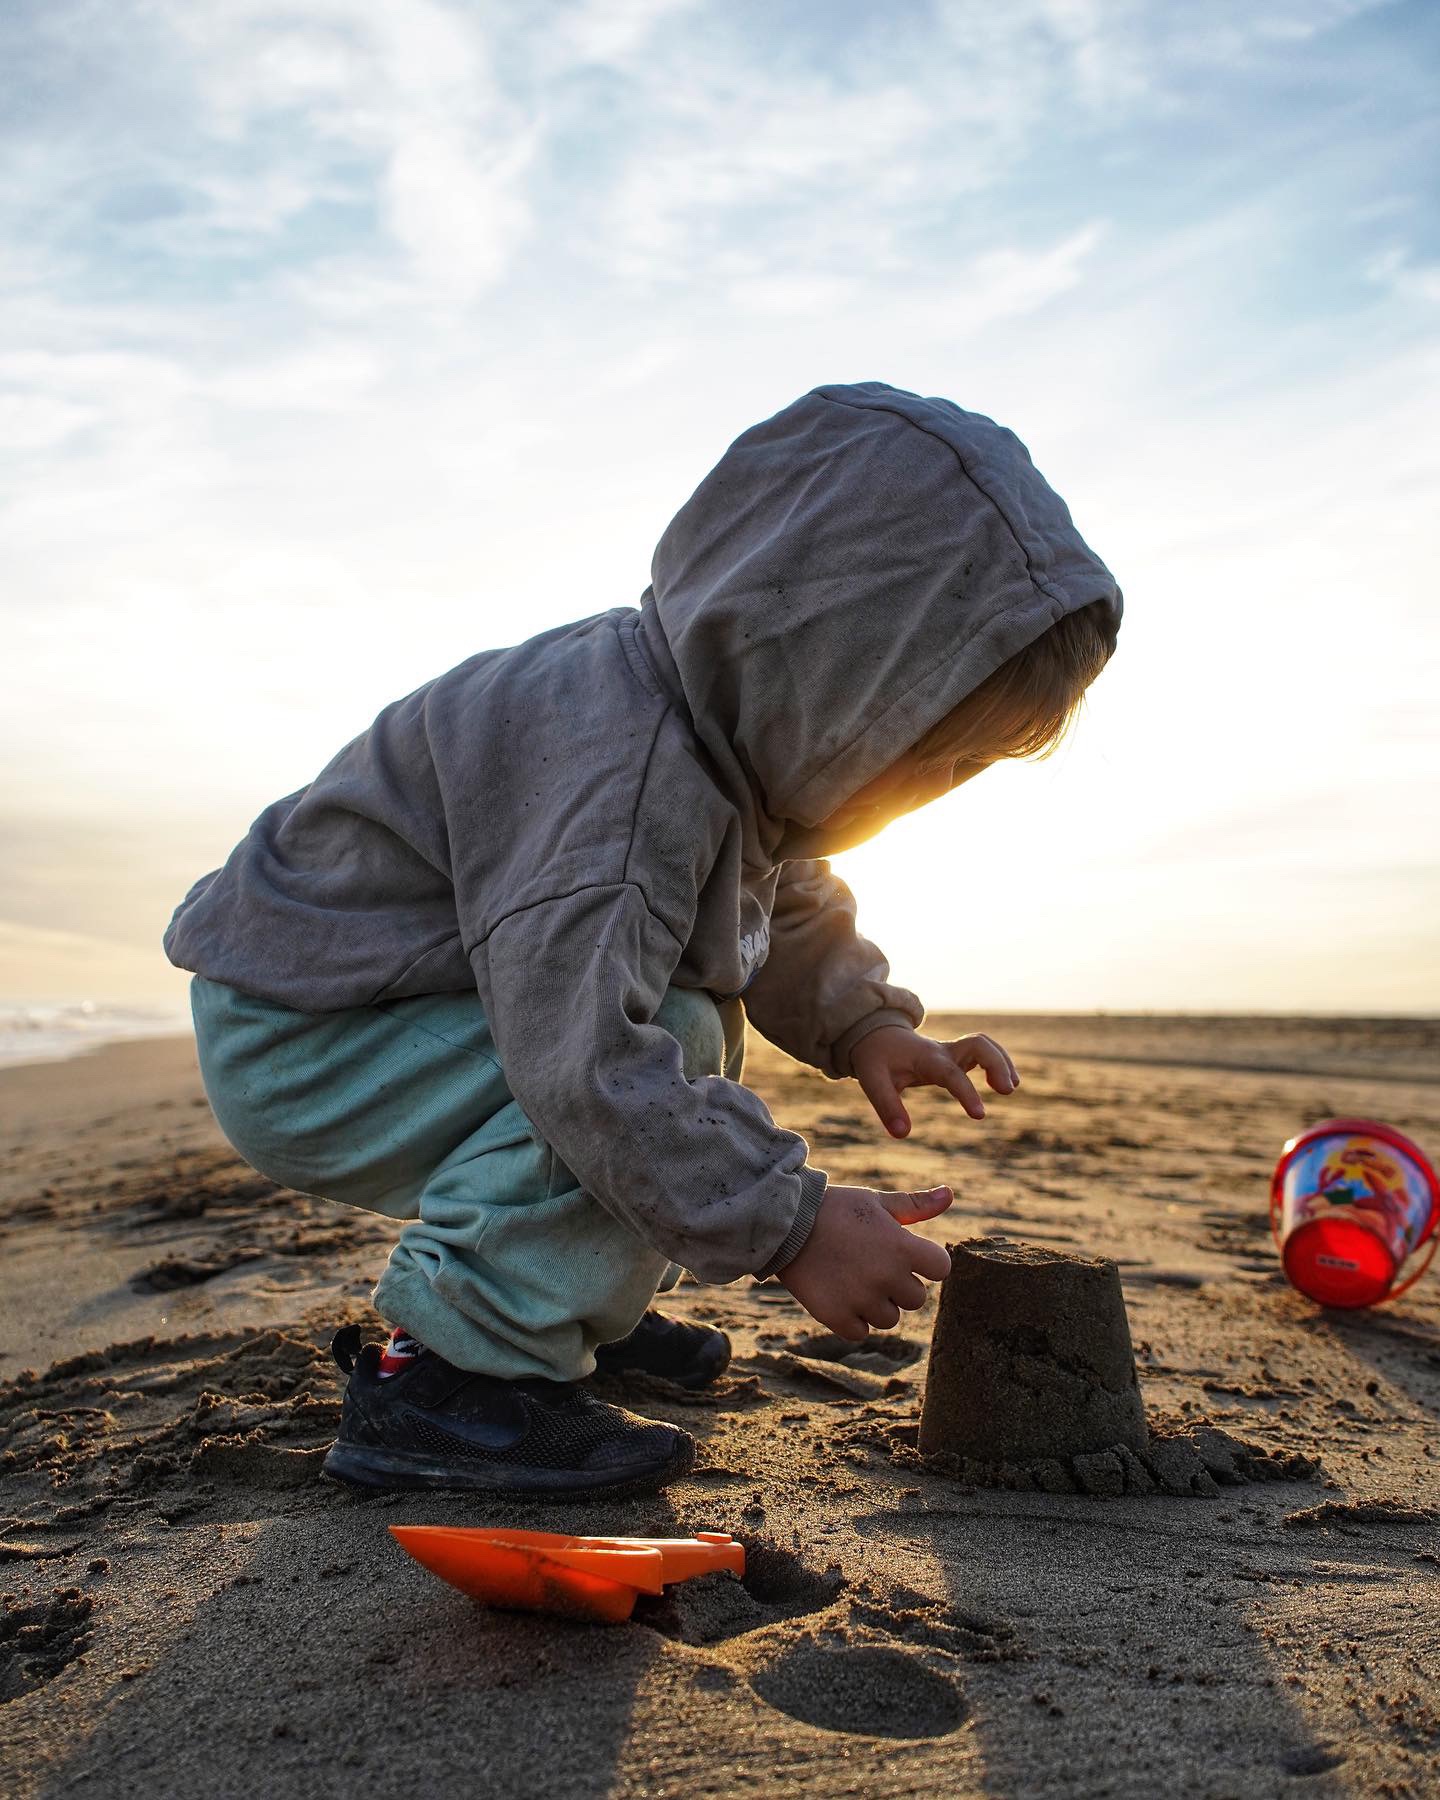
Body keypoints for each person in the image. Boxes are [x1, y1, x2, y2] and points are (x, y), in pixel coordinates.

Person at [163, 380, 1122, 1497]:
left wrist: (862, 1019)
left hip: (395, 1004)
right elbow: (584, 1066)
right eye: (939, 751)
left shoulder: (722, 738)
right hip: (307, 1039)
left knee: (686, 1015)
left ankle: (567, 1301)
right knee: (661, 1029)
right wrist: (795, 1225)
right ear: (825, 670)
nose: (938, 792)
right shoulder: (617, 778)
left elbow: (785, 890)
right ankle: (445, 1377)